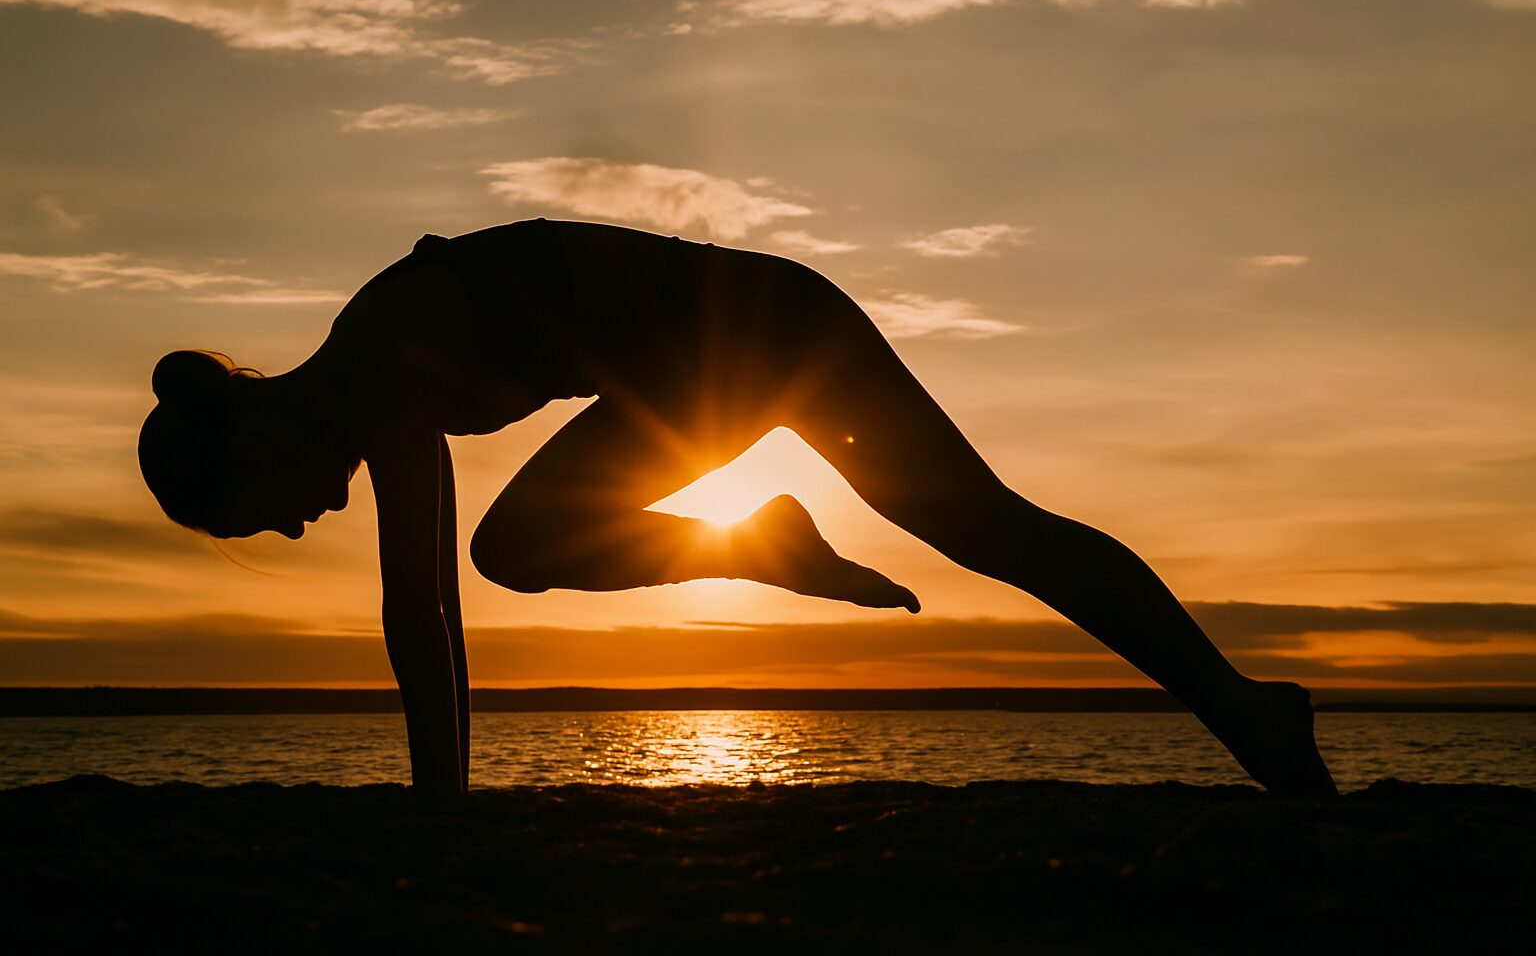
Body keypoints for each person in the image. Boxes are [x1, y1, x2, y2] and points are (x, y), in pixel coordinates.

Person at [138, 217, 1338, 799]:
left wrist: (441, 820)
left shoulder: (379, 364)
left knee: (986, 524)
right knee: (521, 544)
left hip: (758, 329)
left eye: (261, 516)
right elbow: (441, 598)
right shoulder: (370, 369)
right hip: (715, 355)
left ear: (250, 442)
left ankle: (1248, 708)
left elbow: (421, 608)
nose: (295, 527)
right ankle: (758, 538)